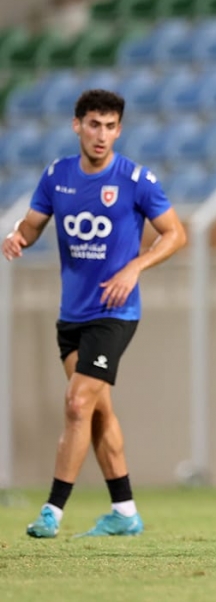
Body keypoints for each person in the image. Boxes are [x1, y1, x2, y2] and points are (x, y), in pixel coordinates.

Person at [2, 89, 187, 538]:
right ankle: (124, 511)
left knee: (77, 402)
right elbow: (33, 224)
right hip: (72, 316)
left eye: (110, 126)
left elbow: (175, 234)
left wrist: (134, 267)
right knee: (98, 412)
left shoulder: (136, 180)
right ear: (77, 126)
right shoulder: (57, 176)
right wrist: (18, 236)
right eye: (93, 125)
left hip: (115, 313)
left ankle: (52, 511)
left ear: (119, 130)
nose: (101, 135)